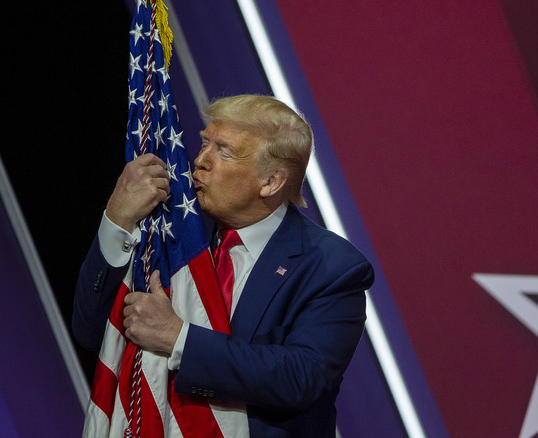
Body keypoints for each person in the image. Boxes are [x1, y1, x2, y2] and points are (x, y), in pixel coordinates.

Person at [73, 94, 374, 437]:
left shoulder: (331, 267)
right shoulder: (174, 236)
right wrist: (117, 218)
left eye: (224, 152)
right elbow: (90, 331)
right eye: (204, 144)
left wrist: (179, 339)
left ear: (271, 182)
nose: (199, 160)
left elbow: (300, 378)